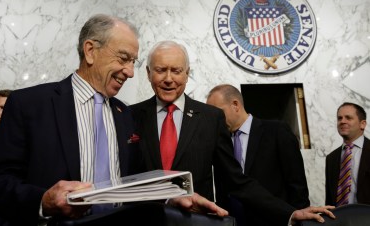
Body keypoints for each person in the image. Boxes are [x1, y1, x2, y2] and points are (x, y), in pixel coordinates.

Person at [0, 15, 227, 226]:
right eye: (124, 58)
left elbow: (133, 183)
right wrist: (42, 201)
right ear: (91, 50)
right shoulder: (29, 104)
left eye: (133, 62)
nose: (130, 72)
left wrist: (172, 196)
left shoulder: (124, 114)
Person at [130, 40, 334, 225]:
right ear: (148, 73)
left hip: (195, 222)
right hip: (143, 220)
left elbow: (235, 181)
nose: (168, 78)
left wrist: (290, 212)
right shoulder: (129, 116)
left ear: (187, 73)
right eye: (160, 70)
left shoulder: (211, 118)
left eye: (176, 70)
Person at [206, 84, 310, 226]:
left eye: (217, 112)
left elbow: (297, 186)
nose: (214, 119)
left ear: (235, 105)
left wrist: (297, 220)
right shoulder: (220, 143)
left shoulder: (277, 131)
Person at [325, 102, 370, 206]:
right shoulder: (331, 158)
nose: (342, 121)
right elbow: (329, 199)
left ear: (362, 124)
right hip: (340, 219)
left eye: (348, 118)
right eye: (339, 118)